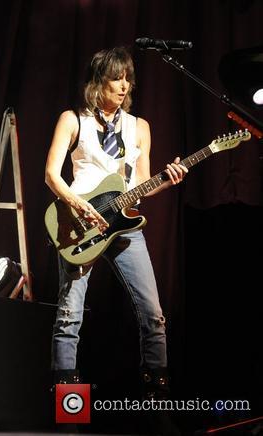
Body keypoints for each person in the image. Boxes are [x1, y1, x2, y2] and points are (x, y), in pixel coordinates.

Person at [45, 46, 188, 403]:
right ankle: (69, 412)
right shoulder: (72, 119)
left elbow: (142, 183)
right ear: (98, 82)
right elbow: (51, 174)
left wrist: (167, 179)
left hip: (124, 228)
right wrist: (80, 206)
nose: (124, 86)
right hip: (80, 225)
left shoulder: (139, 127)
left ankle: (158, 406)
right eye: (115, 78)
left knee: (153, 316)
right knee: (69, 316)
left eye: (128, 79)